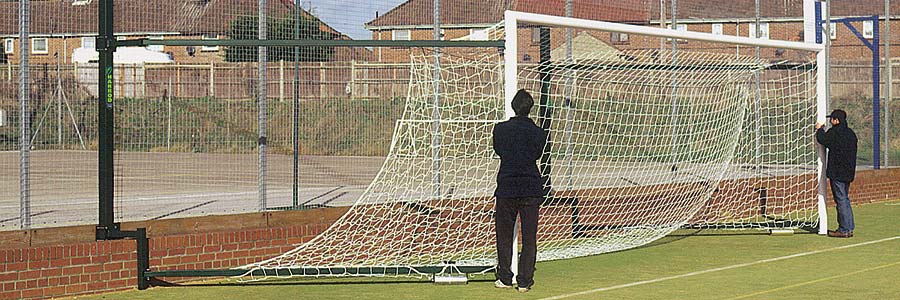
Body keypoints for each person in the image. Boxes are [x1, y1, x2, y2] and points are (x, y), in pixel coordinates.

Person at [491, 89, 547, 293]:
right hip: (530, 186)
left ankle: (505, 277)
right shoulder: (538, 133)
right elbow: (537, 154)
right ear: (530, 108)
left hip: (507, 186)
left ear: (513, 107)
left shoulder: (500, 130)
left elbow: (499, 150)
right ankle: (524, 280)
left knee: (504, 234)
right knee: (530, 236)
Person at [815, 109, 858, 238]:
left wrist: (819, 129)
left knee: (841, 200)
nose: (830, 121)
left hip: (838, 172)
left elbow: (823, 139)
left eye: (832, 119)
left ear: (836, 120)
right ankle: (848, 228)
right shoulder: (851, 133)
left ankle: (844, 229)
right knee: (845, 198)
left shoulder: (835, 132)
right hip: (849, 171)